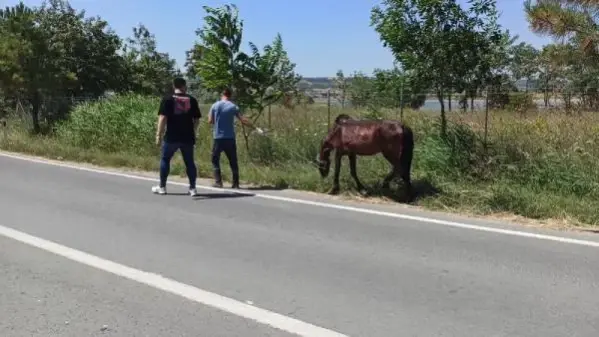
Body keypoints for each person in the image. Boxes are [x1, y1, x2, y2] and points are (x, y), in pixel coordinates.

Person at [152, 77, 202, 196]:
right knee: (189, 162)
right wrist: (193, 131)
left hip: (172, 136)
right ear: (184, 86)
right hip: (187, 137)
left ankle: (162, 187)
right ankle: (193, 188)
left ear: (173, 86)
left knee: (165, 159)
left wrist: (158, 134)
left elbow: (163, 118)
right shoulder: (192, 100)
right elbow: (197, 119)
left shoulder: (168, 99)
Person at [208, 88, 262, 188]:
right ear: (230, 95)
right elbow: (243, 120)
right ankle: (235, 183)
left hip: (218, 137)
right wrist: (255, 127)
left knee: (215, 159)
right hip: (230, 138)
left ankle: (218, 182)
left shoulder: (215, 105)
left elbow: (210, 121)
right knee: (233, 160)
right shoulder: (233, 106)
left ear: (222, 95)